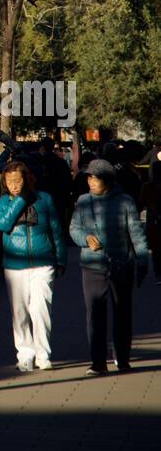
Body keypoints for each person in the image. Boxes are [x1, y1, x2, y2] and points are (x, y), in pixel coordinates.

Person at [70, 158, 149, 376]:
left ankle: (122, 358)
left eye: (96, 178)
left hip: (121, 264)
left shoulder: (125, 201)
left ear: (108, 180)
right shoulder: (83, 201)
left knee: (122, 313)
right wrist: (85, 238)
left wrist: (142, 260)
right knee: (95, 314)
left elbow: (137, 234)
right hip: (92, 265)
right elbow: (73, 228)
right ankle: (97, 362)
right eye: (89, 178)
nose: (91, 182)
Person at [0, 160, 67, 372]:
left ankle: (43, 354)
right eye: (9, 181)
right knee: (20, 311)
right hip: (14, 265)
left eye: (18, 180)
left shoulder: (44, 199)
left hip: (43, 262)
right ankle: (25, 354)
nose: (14, 185)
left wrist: (61, 258)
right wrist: (19, 200)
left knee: (40, 308)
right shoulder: (2, 203)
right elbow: (2, 224)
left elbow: (56, 230)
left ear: (27, 179)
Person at [36, 136, 73, 228]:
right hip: (59, 200)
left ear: (42, 147)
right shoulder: (61, 163)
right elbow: (68, 183)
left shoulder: (37, 162)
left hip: (40, 200)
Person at [138, 159, 161, 284]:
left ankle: (158, 273)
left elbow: (141, 203)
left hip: (153, 220)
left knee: (156, 248)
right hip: (155, 218)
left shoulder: (147, 186)